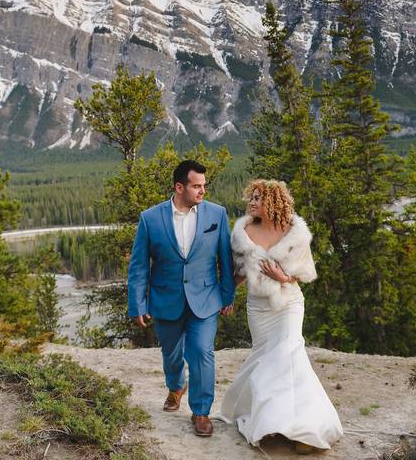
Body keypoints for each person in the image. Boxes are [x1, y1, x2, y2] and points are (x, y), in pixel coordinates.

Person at [219, 179, 343, 453]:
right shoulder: (243, 232)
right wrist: (225, 297)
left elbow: (306, 272)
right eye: (250, 198)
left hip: (288, 303)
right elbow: (238, 273)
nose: (251, 202)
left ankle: (305, 430)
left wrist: (283, 277)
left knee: (289, 355)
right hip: (258, 308)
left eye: (257, 198)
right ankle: (269, 422)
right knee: (265, 358)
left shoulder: (295, 232)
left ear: (273, 202)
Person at [127, 159, 236, 437]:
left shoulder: (217, 214)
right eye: (196, 186)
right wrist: (137, 304)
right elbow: (139, 265)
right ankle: (176, 385)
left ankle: (201, 412)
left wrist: (227, 295)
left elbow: (226, 258)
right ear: (179, 187)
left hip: (206, 298)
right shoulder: (150, 218)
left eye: (204, 185)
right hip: (166, 299)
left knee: (202, 351)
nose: (202, 191)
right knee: (171, 355)